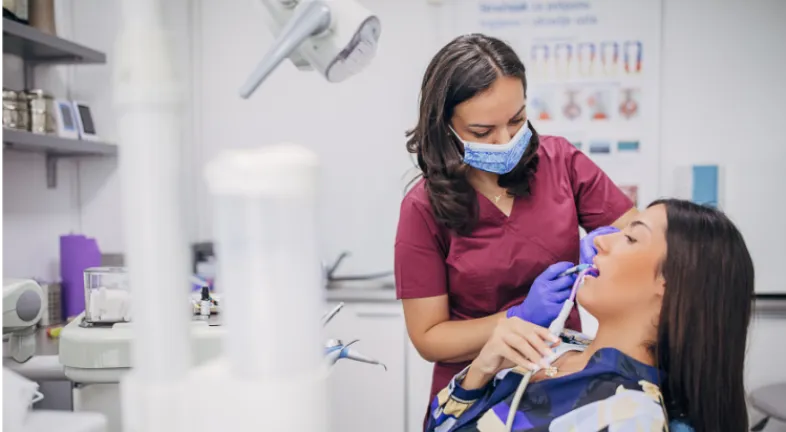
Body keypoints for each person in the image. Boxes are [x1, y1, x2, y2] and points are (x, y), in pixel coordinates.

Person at [395, 32, 637, 416]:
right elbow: (429, 338)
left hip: (560, 377)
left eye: (516, 120)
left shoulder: (561, 163)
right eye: (482, 131)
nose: (506, 140)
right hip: (474, 392)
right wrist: (518, 316)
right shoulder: (423, 208)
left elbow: (644, 242)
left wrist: (616, 243)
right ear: (444, 125)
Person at [425, 199, 754, 432]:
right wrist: (479, 373)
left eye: (629, 236)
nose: (600, 242)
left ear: (670, 284)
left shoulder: (632, 417)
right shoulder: (555, 344)